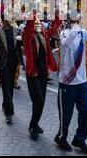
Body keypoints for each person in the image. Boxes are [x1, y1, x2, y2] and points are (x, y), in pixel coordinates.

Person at [55, 12, 87, 154]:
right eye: (77, 19)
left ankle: (80, 139)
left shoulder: (82, 33)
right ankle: (61, 137)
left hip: (82, 81)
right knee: (66, 114)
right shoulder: (64, 32)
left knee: (85, 110)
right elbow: (65, 43)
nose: (79, 21)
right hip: (67, 82)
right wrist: (75, 27)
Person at [23, 11, 61, 141]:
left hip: (43, 72)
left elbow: (53, 29)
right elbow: (29, 25)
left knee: (41, 101)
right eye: (36, 21)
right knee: (38, 100)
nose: (38, 23)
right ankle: (32, 126)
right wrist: (32, 10)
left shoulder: (43, 34)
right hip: (33, 72)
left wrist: (57, 16)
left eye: (39, 22)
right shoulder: (27, 35)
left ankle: (34, 123)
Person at [0, 19, 23, 124]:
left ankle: (5, 104)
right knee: (5, 86)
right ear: (3, 20)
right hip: (3, 63)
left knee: (10, 86)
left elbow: (21, 44)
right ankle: (9, 113)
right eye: (6, 19)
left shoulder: (16, 31)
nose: (9, 21)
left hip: (14, 61)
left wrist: (21, 40)